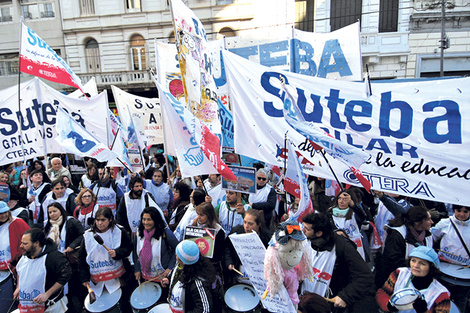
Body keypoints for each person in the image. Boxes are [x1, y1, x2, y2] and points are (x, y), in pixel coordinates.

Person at [301, 212, 377, 313]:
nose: (303, 230)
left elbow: (365, 276)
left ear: (319, 233)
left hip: (329, 303)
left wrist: (345, 296)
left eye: (307, 229)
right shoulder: (306, 240)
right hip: (306, 301)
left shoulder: (343, 247)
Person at [78, 206, 133, 312]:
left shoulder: (119, 231)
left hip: (117, 278)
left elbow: (128, 247)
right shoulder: (88, 235)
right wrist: (84, 278)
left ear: (110, 219)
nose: (100, 223)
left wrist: (117, 253)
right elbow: (82, 257)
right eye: (97, 220)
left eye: (103, 220)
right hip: (96, 280)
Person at [376, 245, 450, 313]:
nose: (415, 266)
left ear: (431, 268)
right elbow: (382, 293)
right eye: (413, 260)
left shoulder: (441, 293)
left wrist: (424, 311)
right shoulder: (399, 274)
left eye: (422, 263)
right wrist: (388, 306)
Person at [14, 228, 72, 312]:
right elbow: (19, 271)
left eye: (25, 243)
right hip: (26, 307)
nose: (21, 246)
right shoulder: (25, 255)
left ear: (36, 243)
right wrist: (18, 287)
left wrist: (47, 294)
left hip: (51, 307)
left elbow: (66, 275)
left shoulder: (53, 257)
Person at [43, 202, 85, 313]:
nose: (52, 214)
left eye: (54, 211)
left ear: (61, 210)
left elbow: (82, 235)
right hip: (55, 262)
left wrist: (71, 246)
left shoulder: (71, 222)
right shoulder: (47, 226)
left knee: (74, 289)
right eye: (50, 212)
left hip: (70, 262)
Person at [378, 206, 433, 287]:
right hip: (395, 280)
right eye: (428, 219)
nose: (432, 222)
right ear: (417, 222)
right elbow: (393, 260)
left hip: (416, 278)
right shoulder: (397, 235)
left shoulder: (428, 235)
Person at [432, 204, 470, 313]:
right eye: (459, 210)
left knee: (460, 301)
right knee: (441, 300)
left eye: (465, 211)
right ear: (454, 210)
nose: (462, 214)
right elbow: (432, 238)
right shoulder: (445, 223)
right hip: (444, 271)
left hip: (465, 274)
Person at [162, 240, 218, 313]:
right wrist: (168, 279)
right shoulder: (180, 266)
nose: (175, 254)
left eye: (177, 254)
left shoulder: (197, 282)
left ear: (183, 261)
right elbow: (176, 275)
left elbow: (204, 309)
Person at [224, 209, 273, 286]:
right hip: (239, 277)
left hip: (259, 280)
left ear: (258, 224)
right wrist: (229, 262)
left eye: (250, 224)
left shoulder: (268, 237)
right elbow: (227, 248)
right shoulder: (237, 231)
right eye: (245, 222)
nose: (246, 226)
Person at [134, 207, 178, 285]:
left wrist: (169, 268)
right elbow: (135, 251)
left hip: (162, 276)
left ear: (156, 220)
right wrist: (137, 269)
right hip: (144, 276)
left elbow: (177, 249)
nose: (146, 222)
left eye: (149, 219)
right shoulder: (138, 233)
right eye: (144, 219)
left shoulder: (165, 233)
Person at [0, 201, 30, 313]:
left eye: (5, 212)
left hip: (15, 268)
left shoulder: (17, 222)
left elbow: (30, 242)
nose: (3, 215)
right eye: (0, 214)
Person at [327, 189, 370, 261]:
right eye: (339, 198)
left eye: (345, 199)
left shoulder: (354, 213)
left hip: (356, 247)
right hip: (338, 247)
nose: (341, 201)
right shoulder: (330, 212)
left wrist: (354, 205)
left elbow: (362, 216)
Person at [189, 202, 225, 275]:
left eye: (201, 215)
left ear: (209, 216)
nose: (198, 217)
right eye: (197, 214)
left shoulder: (218, 231)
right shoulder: (192, 224)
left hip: (210, 268)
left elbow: (218, 255)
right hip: (193, 265)